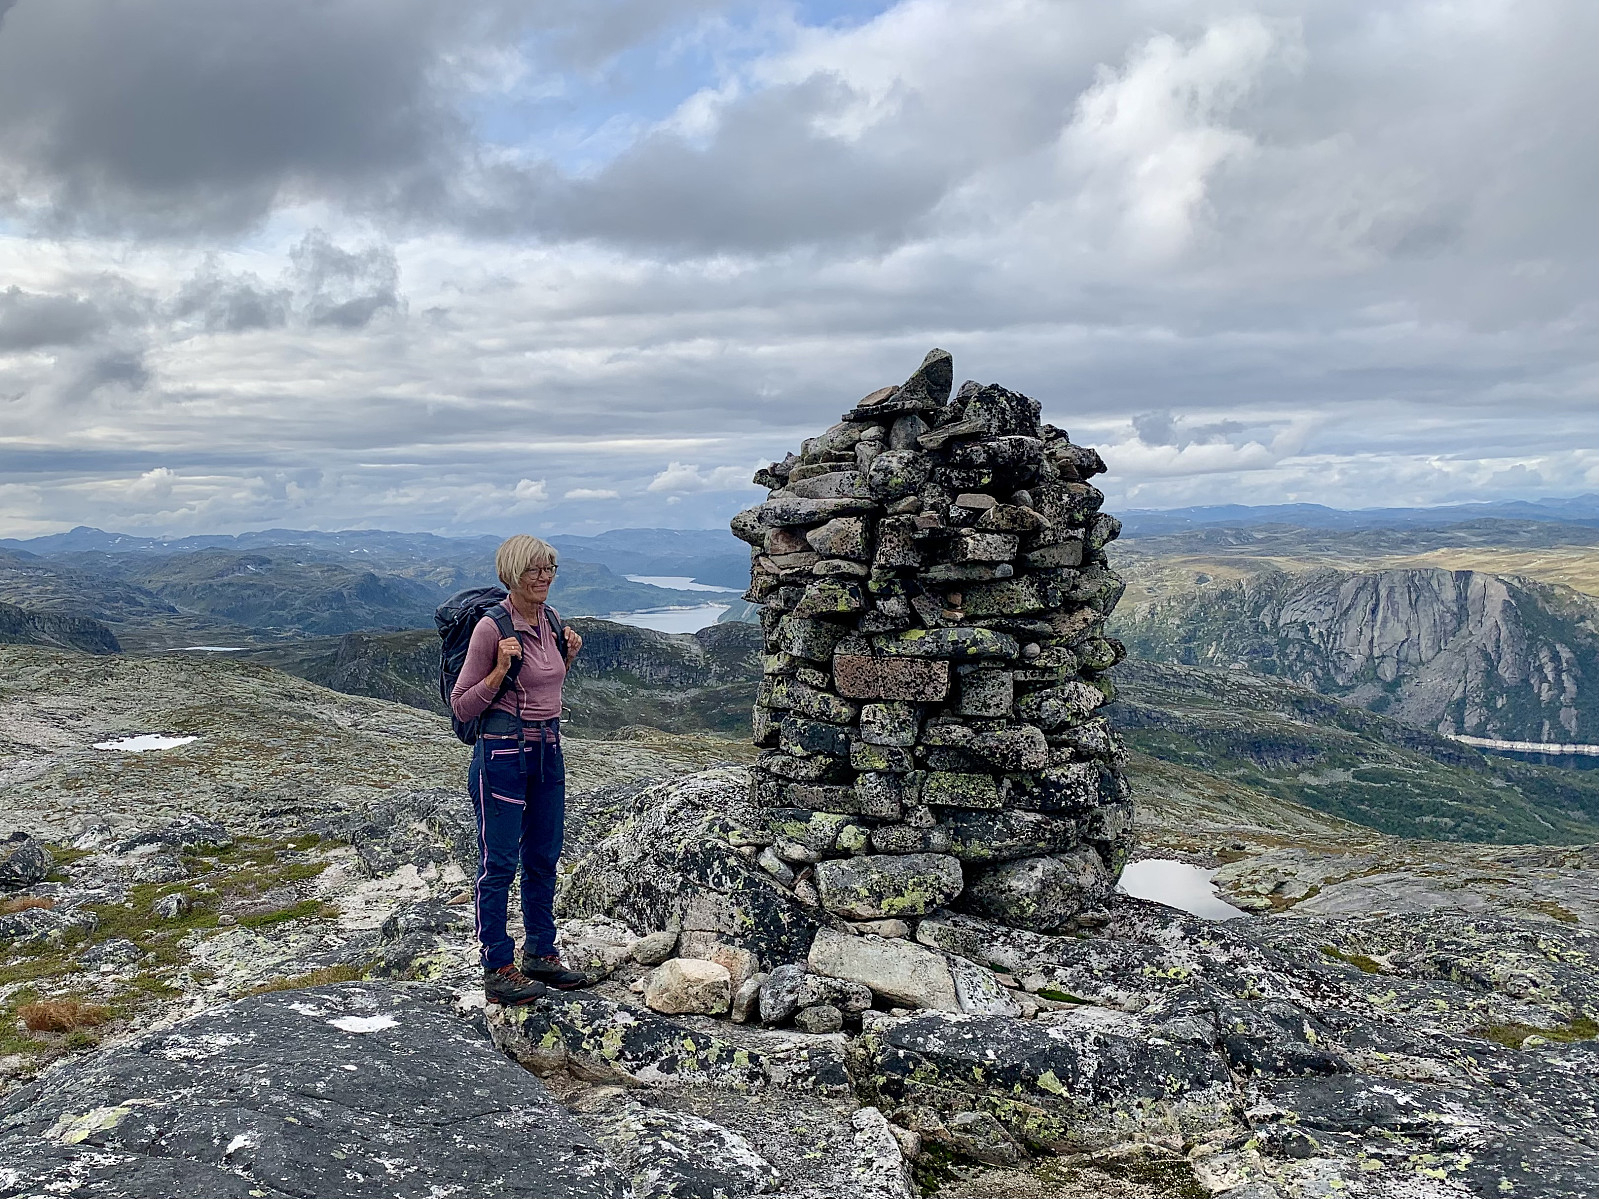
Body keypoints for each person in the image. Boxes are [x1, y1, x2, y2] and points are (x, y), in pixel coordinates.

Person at [451, 534, 589, 1004]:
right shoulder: (492, 630)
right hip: (502, 755)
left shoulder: (550, 620)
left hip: (548, 750)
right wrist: (497, 669)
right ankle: (497, 967)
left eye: (549, 568)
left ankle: (540, 953)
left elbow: (544, 691)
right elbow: (463, 707)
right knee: (500, 862)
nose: (545, 577)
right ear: (512, 573)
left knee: (544, 856)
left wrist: (565, 658)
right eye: (534, 570)